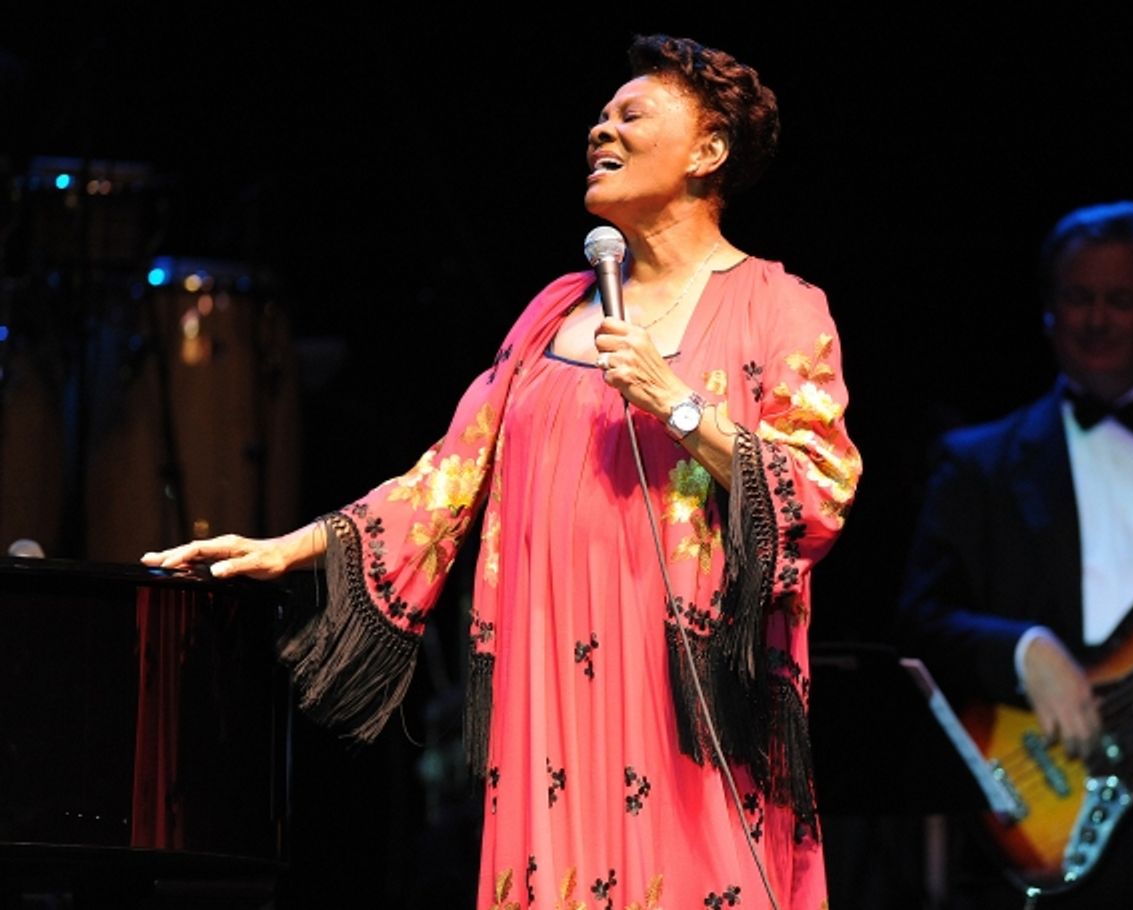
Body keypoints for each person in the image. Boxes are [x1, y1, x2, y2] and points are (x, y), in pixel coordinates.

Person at [143, 34, 861, 910]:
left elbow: (817, 491)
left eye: (633, 114)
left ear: (709, 151)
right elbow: (450, 475)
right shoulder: (554, 310)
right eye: (601, 114)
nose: (602, 127)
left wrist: (677, 403)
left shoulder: (780, 307)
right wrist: (292, 547)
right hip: (551, 678)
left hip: (690, 691)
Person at [896, 200, 1133, 909]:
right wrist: (1022, 651)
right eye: (1078, 297)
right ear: (1047, 312)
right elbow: (919, 621)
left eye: (1121, 300)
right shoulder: (979, 463)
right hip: (1040, 800)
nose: (1097, 319)